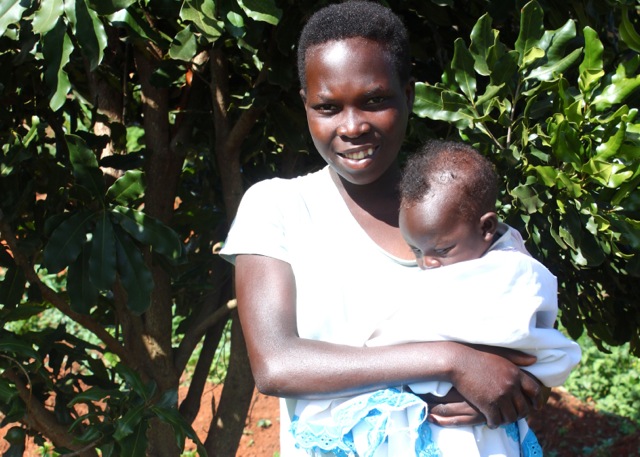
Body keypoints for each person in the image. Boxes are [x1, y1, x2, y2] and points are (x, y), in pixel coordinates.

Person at [220, 1, 549, 455]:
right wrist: (452, 362)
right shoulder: (279, 207)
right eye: (328, 107)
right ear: (305, 106)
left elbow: (532, 348)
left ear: (409, 95)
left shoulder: (458, 212)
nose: (352, 126)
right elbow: (277, 364)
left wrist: (518, 386)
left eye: (374, 100)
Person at [288, 140, 582, 456]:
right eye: (416, 251)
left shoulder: (510, 273)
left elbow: (532, 345)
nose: (428, 263)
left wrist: (517, 384)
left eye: (441, 251)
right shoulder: (458, 256)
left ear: (487, 227)